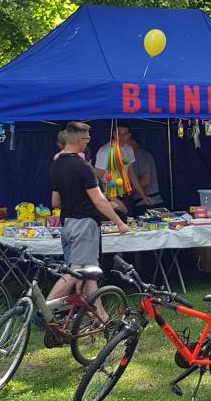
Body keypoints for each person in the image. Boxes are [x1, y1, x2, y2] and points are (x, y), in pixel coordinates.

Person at [49, 122, 128, 303]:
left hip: (67, 224)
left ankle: (100, 316)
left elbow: (55, 202)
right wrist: (119, 222)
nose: (88, 143)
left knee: (91, 271)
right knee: (76, 273)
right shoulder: (83, 167)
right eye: (86, 139)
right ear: (78, 140)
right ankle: (44, 309)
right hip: (84, 224)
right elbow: (99, 200)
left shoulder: (55, 166)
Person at [94, 123, 151, 208]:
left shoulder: (128, 149)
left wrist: (143, 195)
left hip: (125, 192)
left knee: (128, 219)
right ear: (113, 134)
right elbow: (97, 178)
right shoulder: (105, 151)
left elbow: (131, 174)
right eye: (119, 134)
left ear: (129, 135)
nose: (121, 136)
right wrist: (113, 199)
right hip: (109, 194)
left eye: (124, 134)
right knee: (112, 221)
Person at [127, 134, 163, 215]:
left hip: (148, 204)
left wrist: (128, 192)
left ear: (133, 143)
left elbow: (145, 181)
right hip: (141, 203)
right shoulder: (134, 158)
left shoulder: (143, 157)